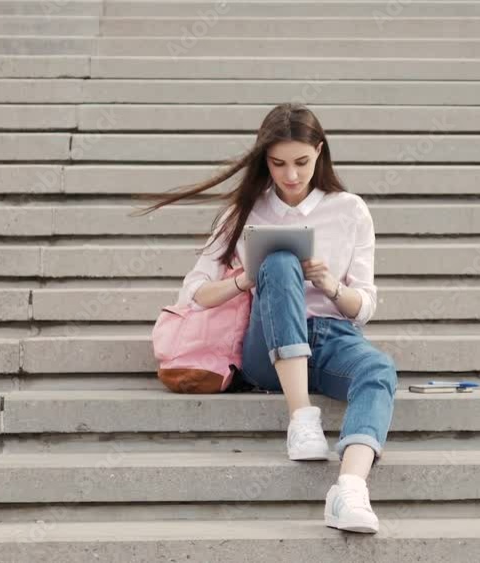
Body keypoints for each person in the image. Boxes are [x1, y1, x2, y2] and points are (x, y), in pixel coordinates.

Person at [131, 102, 398, 534]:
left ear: (320, 153)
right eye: (278, 164)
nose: (290, 175)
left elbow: (364, 306)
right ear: (264, 160)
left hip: (331, 336)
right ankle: (302, 419)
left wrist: (331, 285)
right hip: (266, 347)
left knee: (379, 368)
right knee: (278, 264)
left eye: (301, 162)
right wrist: (246, 281)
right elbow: (194, 293)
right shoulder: (244, 211)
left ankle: (349, 489)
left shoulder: (350, 209)